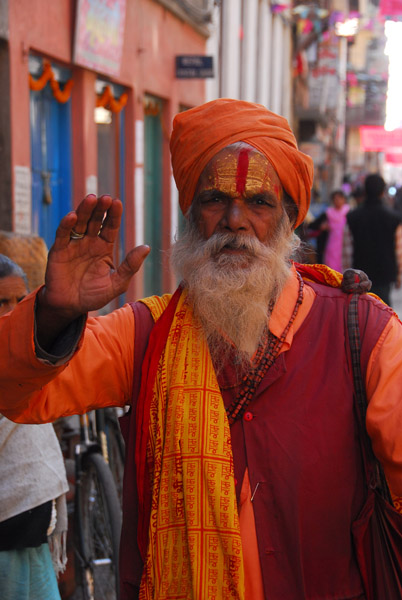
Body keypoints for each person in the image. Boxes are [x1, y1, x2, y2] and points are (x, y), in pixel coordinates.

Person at [0, 98, 401, 600]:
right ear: (190, 214)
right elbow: (20, 394)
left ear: (288, 220)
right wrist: (56, 312)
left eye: (259, 202)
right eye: (214, 199)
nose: (235, 220)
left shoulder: (364, 333)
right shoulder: (148, 333)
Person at [0, 254, 69, 600]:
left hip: (31, 523)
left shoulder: (27, 354)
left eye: (19, 300)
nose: (12, 312)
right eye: (2, 302)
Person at [344, 173, 402, 305]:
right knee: (384, 310)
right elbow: (398, 250)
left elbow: (347, 250)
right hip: (385, 272)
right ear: (383, 191)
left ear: (364, 191)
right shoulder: (394, 218)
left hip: (359, 273)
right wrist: (399, 275)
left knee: (361, 310)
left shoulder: (352, 217)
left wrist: (346, 275)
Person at [307, 189, 349, 270]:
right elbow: (312, 225)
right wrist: (321, 226)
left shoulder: (349, 213)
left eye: (339, 198)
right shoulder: (328, 213)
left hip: (344, 248)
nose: (337, 201)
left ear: (344, 199)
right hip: (330, 247)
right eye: (335, 199)